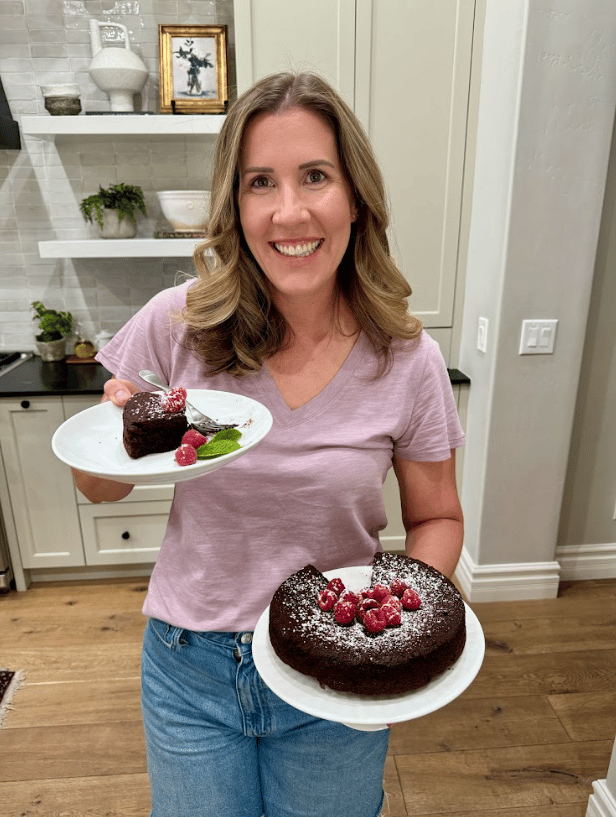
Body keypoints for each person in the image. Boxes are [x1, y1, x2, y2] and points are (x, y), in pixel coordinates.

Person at [73, 71, 465, 817]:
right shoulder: (175, 324)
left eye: (315, 175)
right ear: (236, 203)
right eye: (261, 182)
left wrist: (395, 623)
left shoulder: (406, 361)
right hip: (192, 671)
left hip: (337, 674)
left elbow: (438, 518)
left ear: (355, 197)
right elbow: (97, 489)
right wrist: (114, 430)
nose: (290, 211)